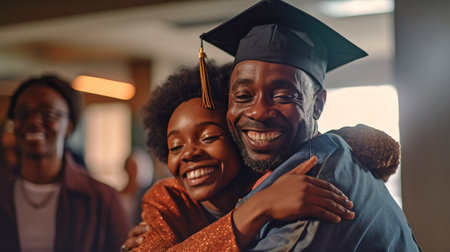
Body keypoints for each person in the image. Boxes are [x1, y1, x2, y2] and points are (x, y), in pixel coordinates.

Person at [198, 0, 420, 250]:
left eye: (283, 96)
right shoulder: (329, 153)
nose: (258, 112)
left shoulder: (313, 196)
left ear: (317, 104)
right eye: (243, 96)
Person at [122, 63, 401, 251]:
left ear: (238, 136)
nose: (190, 153)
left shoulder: (276, 175)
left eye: (208, 137)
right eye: (175, 146)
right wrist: (254, 211)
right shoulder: (168, 198)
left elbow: (368, 150)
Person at [0, 75, 131, 251]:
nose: (33, 121)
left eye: (47, 114)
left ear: (68, 126)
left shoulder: (103, 198)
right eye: (23, 114)